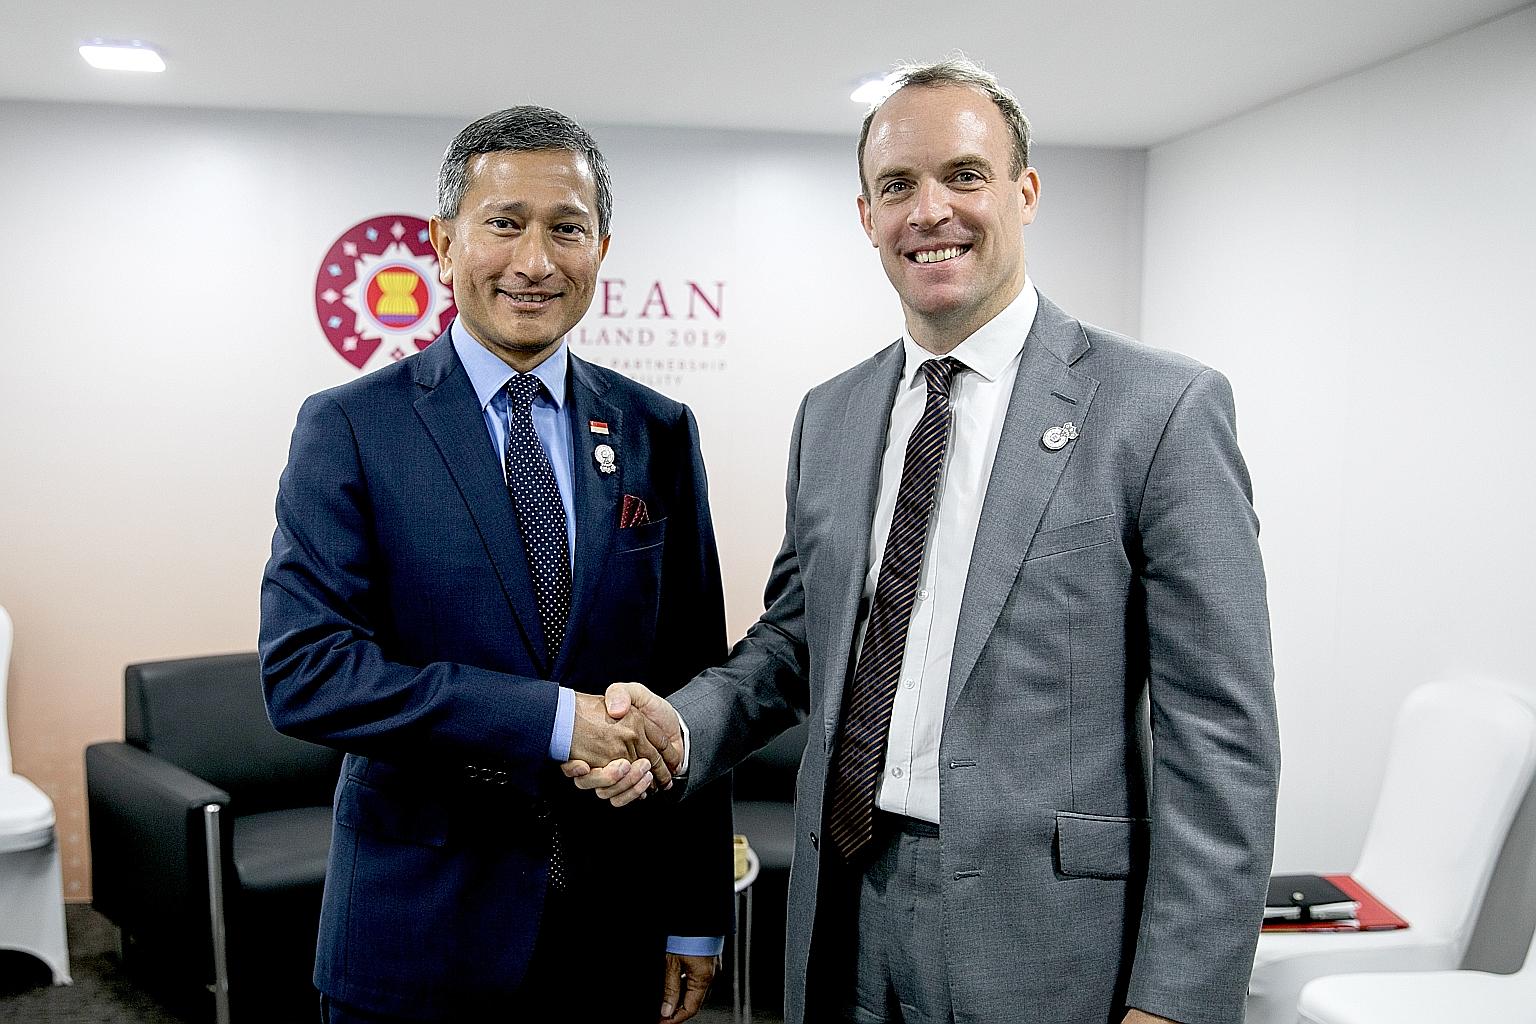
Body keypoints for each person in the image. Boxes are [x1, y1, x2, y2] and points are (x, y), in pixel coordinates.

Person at [571, 59, 1281, 1024]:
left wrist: (1179, 1000)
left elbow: (1221, 734)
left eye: (965, 175)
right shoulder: (833, 414)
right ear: (866, 216)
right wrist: (679, 727)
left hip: (1050, 933)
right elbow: (795, 644)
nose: (930, 210)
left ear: (1025, 193)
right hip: (845, 901)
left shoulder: (1158, 410)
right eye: (897, 185)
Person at [259, 105, 732, 1023]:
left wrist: (697, 912)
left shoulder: (656, 432)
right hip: (415, 934)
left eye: (567, 229)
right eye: (504, 224)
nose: (535, 261)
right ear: (444, 243)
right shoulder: (352, 426)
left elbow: (694, 682)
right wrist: (557, 722)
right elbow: (306, 674)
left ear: (601, 249)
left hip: (608, 933)